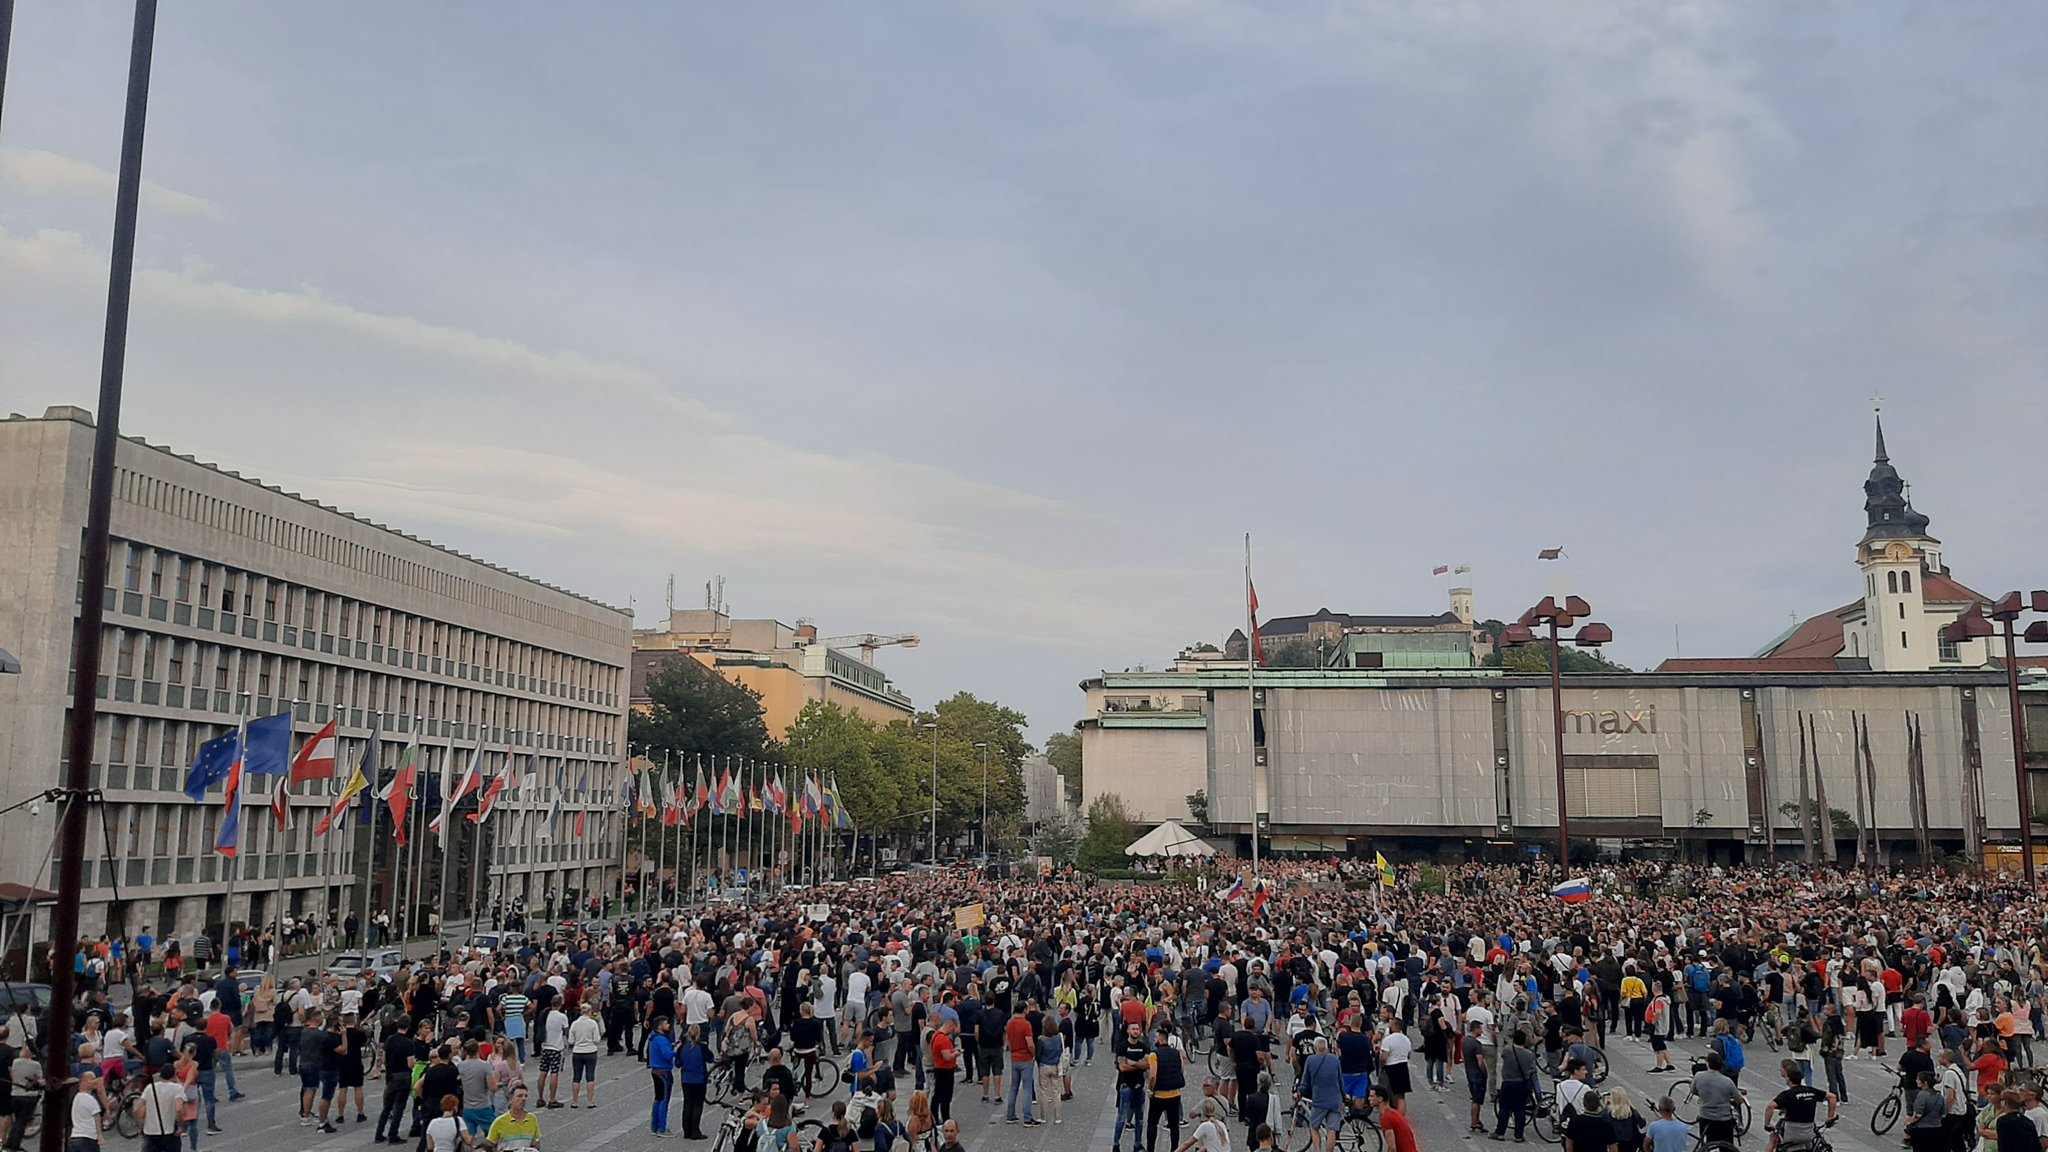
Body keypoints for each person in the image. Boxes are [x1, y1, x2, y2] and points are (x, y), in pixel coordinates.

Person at [1763, 1058, 1834, 1152]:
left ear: (1788, 1078)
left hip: (1791, 1135)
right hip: (1809, 1134)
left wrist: (1767, 1124)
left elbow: (1770, 1106)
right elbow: (1832, 1097)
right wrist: (1830, 1117)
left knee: (1773, 1139)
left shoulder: (1787, 1095)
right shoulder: (1811, 1091)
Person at [1491, 1030, 1541, 1143]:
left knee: (1504, 1108)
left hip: (1508, 1082)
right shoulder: (1529, 1055)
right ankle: (1519, 1135)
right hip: (1522, 1084)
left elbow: (1503, 1053)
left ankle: (1500, 1133)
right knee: (1520, 1109)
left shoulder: (1507, 1051)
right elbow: (1532, 1069)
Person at [375, 1014, 417, 1145]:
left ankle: (379, 1133)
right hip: (404, 1076)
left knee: (387, 1107)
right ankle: (393, 1134)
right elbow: (410, 1063)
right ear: (408, 1026)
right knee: (399, 1107)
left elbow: (384, 1058)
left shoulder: (390, 1040)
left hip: (391, 1076)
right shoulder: (409, 1043)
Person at [1299, 1037, 1344, 1152]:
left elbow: (1305, 1082)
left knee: (1314, 1127)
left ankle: (1318, 1150)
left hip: (1319, 1100)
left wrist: (1299, 1092)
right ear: (1326, 1047)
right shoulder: (1335, 1060)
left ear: (1315, 1048)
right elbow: (1340, 1081)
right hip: (1335, 1100)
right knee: (1332, 1129)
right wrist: (1344, 1095)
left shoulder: (1310, 1060)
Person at [1689, 1051, 1741, 1149]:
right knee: (1727, 1146)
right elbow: (1738, 1099)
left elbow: (1693, 1090)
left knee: (1707, 1144)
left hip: (1705, 1115)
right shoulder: (1727, 1081)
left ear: (1707, 1063)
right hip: (1723, 1118)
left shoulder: (1699, 1076)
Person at [1148, 1025, 1187, 1151]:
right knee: (1174, 1124)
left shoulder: (1154, 1055)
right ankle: (1174, 1148)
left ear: (1160, 1039)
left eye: (1156, 1038)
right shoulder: (1176, 1053)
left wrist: (1150, 1089)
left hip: (1159, 1095)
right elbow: (1181, 1068)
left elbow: (1153, 1076)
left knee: (1152, 1124)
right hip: (1175, 1094)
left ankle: (1151, 1149)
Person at [136, 1062, 187, 1152]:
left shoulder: (150, 1088)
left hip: (150, 1132)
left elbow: (136, 1109)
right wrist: (181, 1126)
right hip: (169, 1131)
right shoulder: (177, 1088)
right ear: (174, 1075)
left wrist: (141, 1127)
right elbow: (179, 1109)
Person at [484, 1085, 541, 1151]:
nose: (523, 1099)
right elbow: (489, 1145)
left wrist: (536, 1145)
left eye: (525, 1096)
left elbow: (536, 1142)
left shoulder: (532, 1119)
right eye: (520, 1096)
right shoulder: (499, 1121)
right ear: (511, 1100)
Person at [677, 1024, 710, 1141]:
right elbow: (710, 1058)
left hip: (686, 1079)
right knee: (697, 1105)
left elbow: (677, 1064)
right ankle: (695, 1131)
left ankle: (686, 1130)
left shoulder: (682, 1047)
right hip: (699, 1079)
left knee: (687, 1104)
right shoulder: (701, 1046)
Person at [566, 1005, 602, 1109]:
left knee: (576, 1077)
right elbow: (597, 1039)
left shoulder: (575, 1024)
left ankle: (575, 1101)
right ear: (589, 1012)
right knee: (590, 1077)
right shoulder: (593, 1023)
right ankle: (590, 1101)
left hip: (577, 1052)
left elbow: (570, 1041)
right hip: (591, 1051)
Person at [646, 1016, 674, 1138]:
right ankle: (662, 1128)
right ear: (660, 1026)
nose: (668, 1025)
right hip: (663, 1072)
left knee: (657, 1099)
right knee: (664, 1100)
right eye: (666, 1023)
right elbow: (668, 1055)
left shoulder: (653, 1038)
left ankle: (654, 1126)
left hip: (655, 1071)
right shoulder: (662, 1040)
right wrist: (676, 1050)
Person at [1371, 1085, 1420, 1152]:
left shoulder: (1386, 1118)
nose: (1369, 1098)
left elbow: (1392, 1148)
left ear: (1380, 1099)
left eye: (1371, 1096)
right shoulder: (1394, 1112)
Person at [1908, 1071, 1948, 1152]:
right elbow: (1943, 1113)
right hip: (1937, 1129)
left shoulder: (1922, 1095)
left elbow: (1918, 1114)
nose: (1916, 1080)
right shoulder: (1939, 1096)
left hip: (1922, 1130)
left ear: (1925, 1082)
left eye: (1918, 1079)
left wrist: (1909, 1121)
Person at [70, 1068, 105, 1152]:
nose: (96, 1081)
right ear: (84, 1082)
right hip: (88, 1138)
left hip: (75, 1136)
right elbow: (97, 1117)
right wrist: (99, 1135)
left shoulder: (77, 1098)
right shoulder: (90, 1099)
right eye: (92, 1079)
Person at [1607, 1087, 1648, 1152]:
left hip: (1616, 1144)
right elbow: (1642, 1124)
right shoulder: (1631, 1111)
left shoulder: (1608, 1113)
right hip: (1631, 1144)